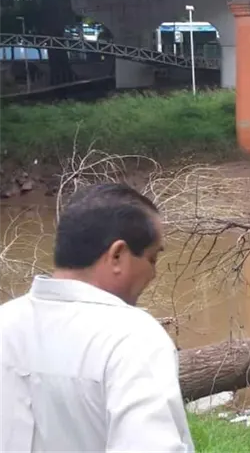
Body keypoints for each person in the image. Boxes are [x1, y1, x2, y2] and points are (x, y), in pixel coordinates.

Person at [0, 183, 195, 452]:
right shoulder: (132, 338)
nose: (154, 274)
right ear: (117, 255)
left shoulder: (5, 322)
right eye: (152, 259)